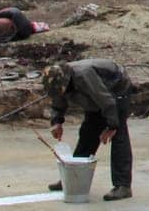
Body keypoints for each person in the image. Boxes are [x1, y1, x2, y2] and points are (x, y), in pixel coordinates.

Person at [43, 59, 134, 201]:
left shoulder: (84, 76)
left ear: (67, 82)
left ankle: (123, 186)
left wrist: (112, 126)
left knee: (118, 136)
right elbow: (58, 99)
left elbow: (106, 101)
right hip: (97, 98)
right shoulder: (61, 83)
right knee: (88, 133)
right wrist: (56, 121)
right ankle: (73, 179)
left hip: (116, 90)